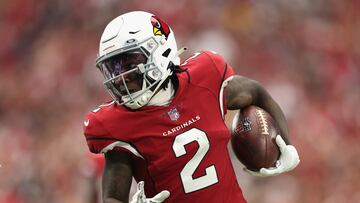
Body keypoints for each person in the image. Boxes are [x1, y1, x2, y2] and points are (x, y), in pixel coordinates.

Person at [82, 11, 300, 203]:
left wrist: (287, 145)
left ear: (161, 52)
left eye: (129, 64)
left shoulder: (205, 79)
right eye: (114, 68)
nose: (120, 78)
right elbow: (112, 197)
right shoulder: (114, 125)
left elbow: (255, 92)